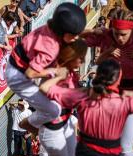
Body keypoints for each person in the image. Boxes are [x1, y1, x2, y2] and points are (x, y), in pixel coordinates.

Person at [39, 59, 133, 156]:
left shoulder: (82, 95)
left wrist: (59, 75)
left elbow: (44, 88)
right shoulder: (126, 102)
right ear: (118, 80)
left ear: (97, 76)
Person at [81, 9, 133, 156]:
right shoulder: (106, 36)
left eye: (124, 34)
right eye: (116, 33)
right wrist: (94, 33)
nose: (119, 38)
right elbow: (72, 34)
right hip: (109, 99)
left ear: (132, 31)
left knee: (125, 147)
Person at [6, 2, 86, 133]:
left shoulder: (50, 28)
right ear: (63, 32)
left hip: (19, 62)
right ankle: (28, 124)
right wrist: (54, 71)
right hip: (18, 77)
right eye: (73, 35)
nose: (75, 38)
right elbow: (30, 74)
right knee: (53, 110)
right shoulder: (50, 48)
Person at [38, 39, 87, 156]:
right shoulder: (55, 70)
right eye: (80, 58)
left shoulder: (72, 73)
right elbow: (43, 88)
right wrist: (59, 77)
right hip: (52, 127)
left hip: (66, 122)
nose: (82, 61)